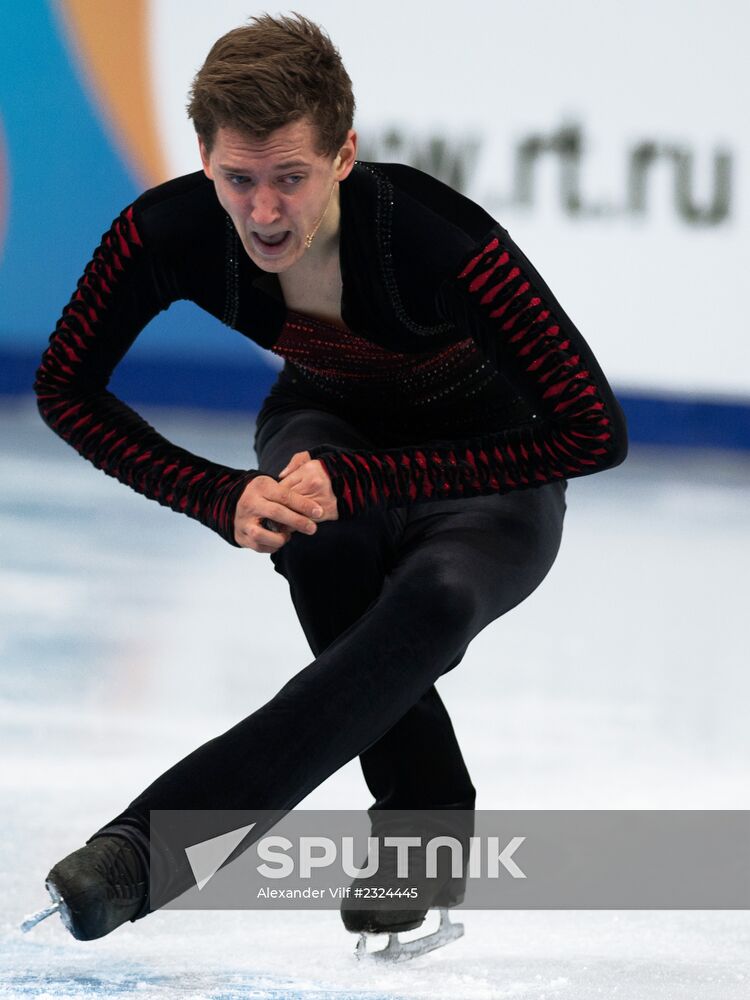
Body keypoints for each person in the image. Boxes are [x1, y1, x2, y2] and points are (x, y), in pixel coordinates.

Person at [33, 13, 628, 945]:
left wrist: (382, 479)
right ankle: (427, 823)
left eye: (291, 178)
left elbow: (595, 430)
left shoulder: (438, 240)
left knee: (433, 596)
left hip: (494, 463)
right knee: (322, 540)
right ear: (202, 156)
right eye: (237, 179)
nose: (264, 212)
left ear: (344, 153)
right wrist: (215, 492)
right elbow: (64, 385)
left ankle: (148, 852)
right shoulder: (169, 232)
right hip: (327, 432)